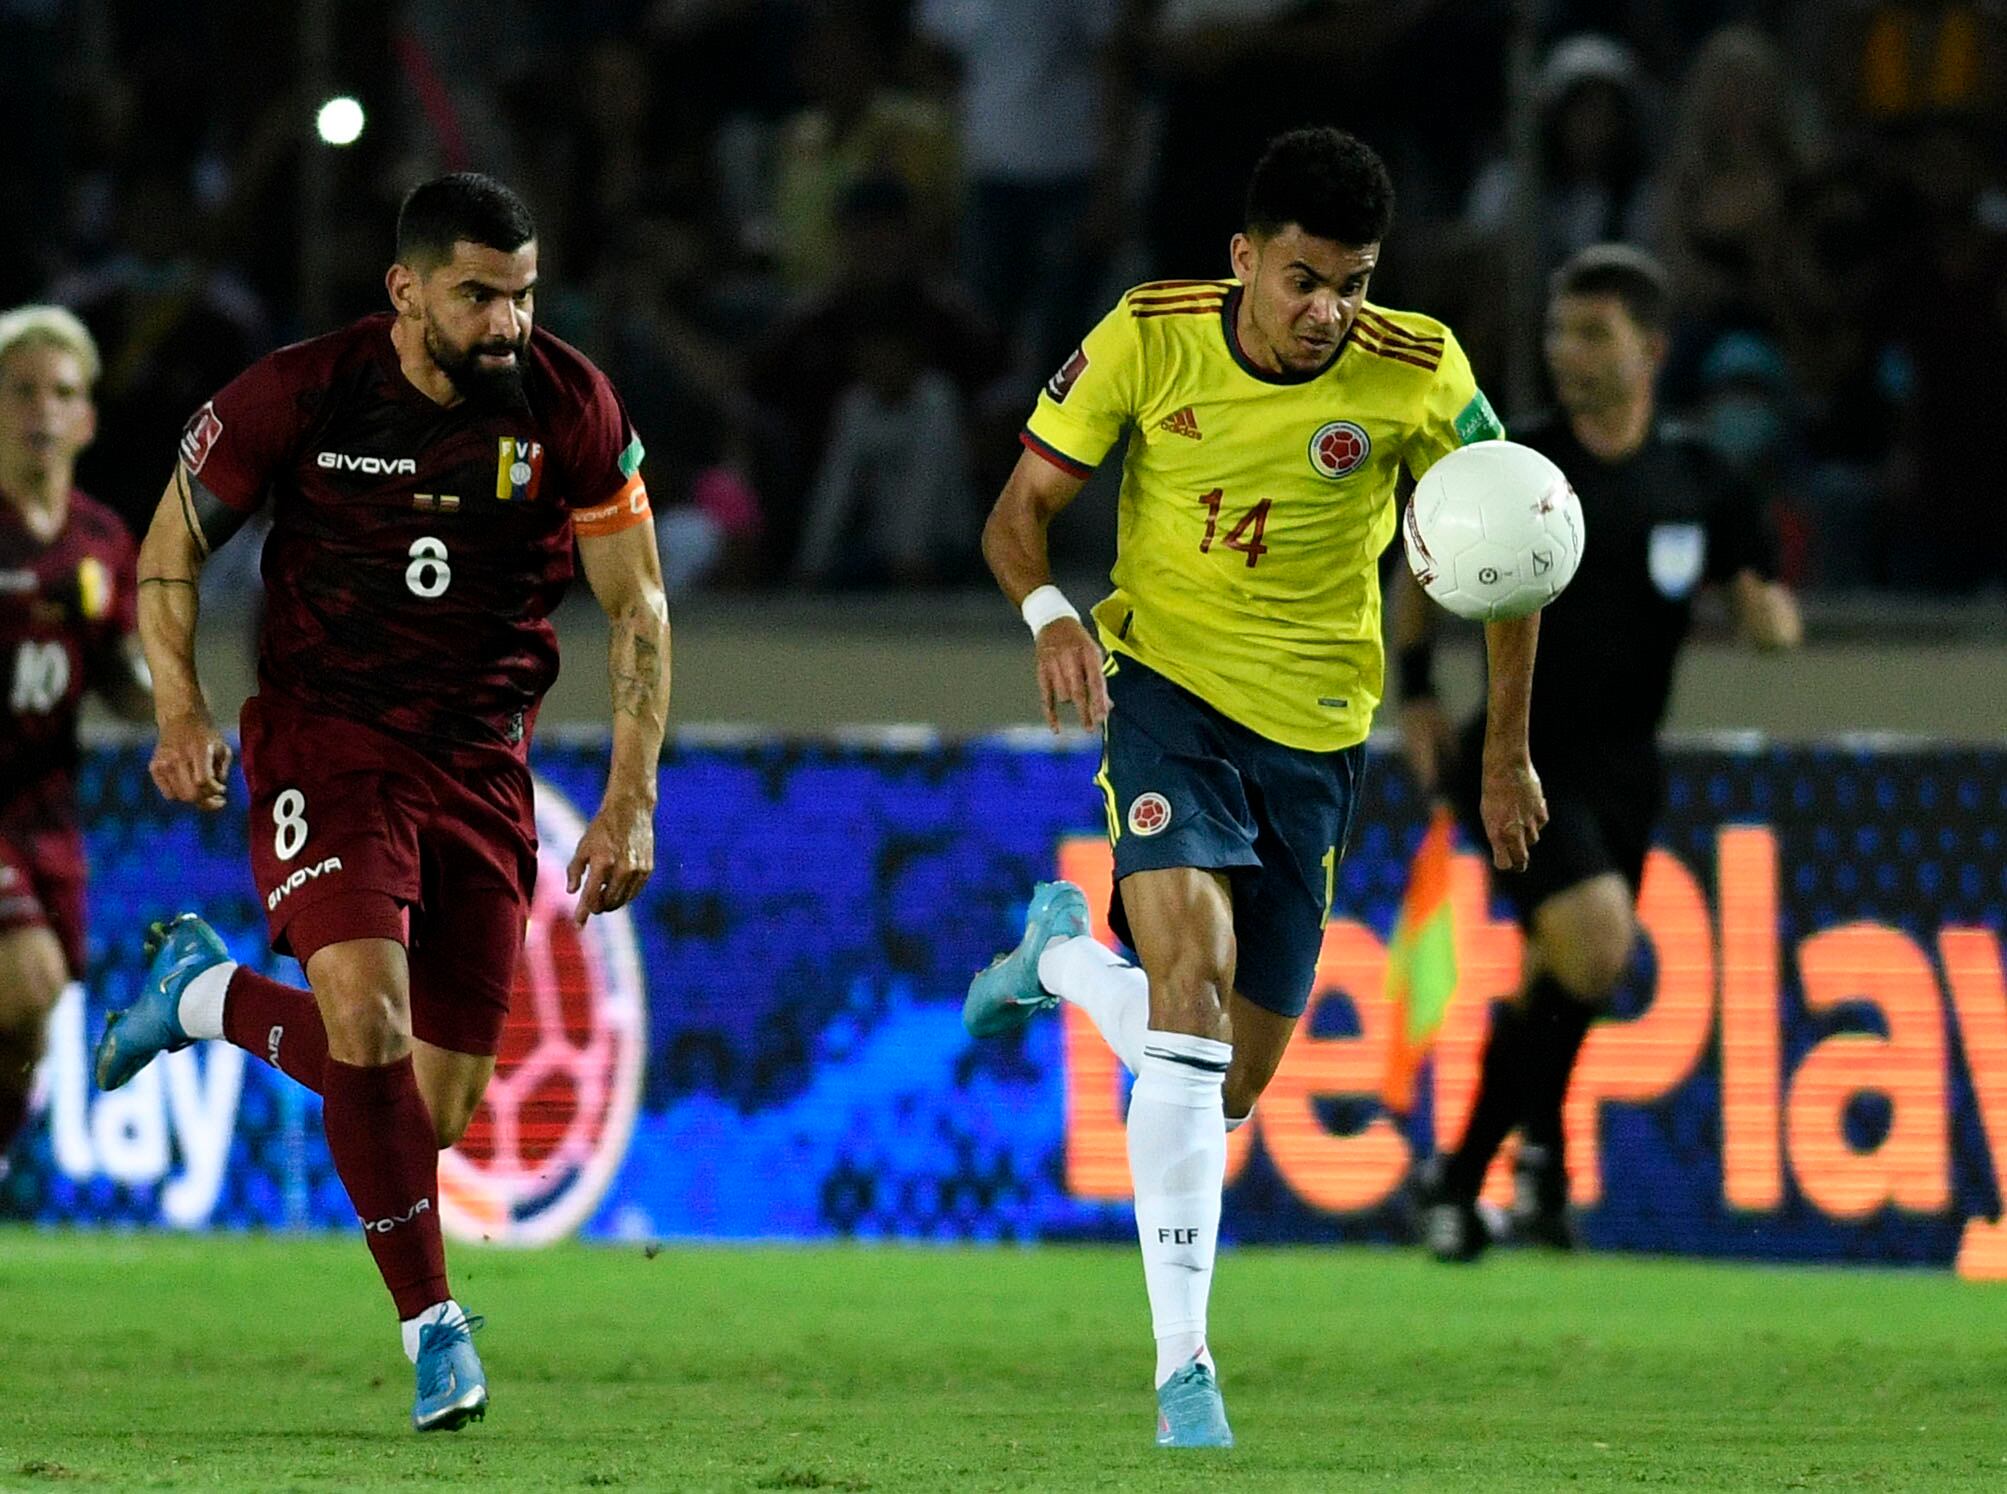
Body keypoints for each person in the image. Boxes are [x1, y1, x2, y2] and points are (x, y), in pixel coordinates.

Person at [962, 127, 1547, 1448]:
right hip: (1163, 694)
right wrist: (1051, 613)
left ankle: (1055, 960)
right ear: (1241, 258)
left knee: (1221, 1080)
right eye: (1299, 278)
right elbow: (1015, 514)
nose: (1323, 310)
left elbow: (1510, 544)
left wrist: (1502, 746)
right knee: (1187, 988)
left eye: (1349, 281)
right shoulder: (1146, 335)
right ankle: (1184, 1372)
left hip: (1315, 741)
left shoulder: (1418, 371)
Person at [91, 174, 671, 1430]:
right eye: (477, 295)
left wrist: (632, 794)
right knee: (367, 1014)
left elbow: (639, 607)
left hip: (480, 760)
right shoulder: (301, 391)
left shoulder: (570, 404)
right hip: (327, 739)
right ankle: (435, 1330)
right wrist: (180, 715)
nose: (507, 321)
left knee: (435, 1111)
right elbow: (169, 549)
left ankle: (203, 995)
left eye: (521, 294)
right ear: (406, 292)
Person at [1398, 244, 1800, 1263]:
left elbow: (1767, 599)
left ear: (1651, 348)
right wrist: (1413, 692)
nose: (1566, 352)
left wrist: (1767, 619)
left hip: (1628, 767)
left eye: (1592, 332)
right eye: (1556, 332)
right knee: (1598, 938)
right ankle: (1493, 1174)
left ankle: (1493, 1176)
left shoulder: (1697, 477)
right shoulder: (1516, 467)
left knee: (1566, 972)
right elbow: (1414, 562)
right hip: (1513, 758)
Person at [0, 306, 151, 1173]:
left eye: (62, 394)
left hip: (48, 816)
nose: (42, 411)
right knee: (28, 975)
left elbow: (121, 680)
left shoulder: (101, 543)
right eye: (21, 390)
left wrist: (167, 710)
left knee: (27, 1036)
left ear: (88, 418)